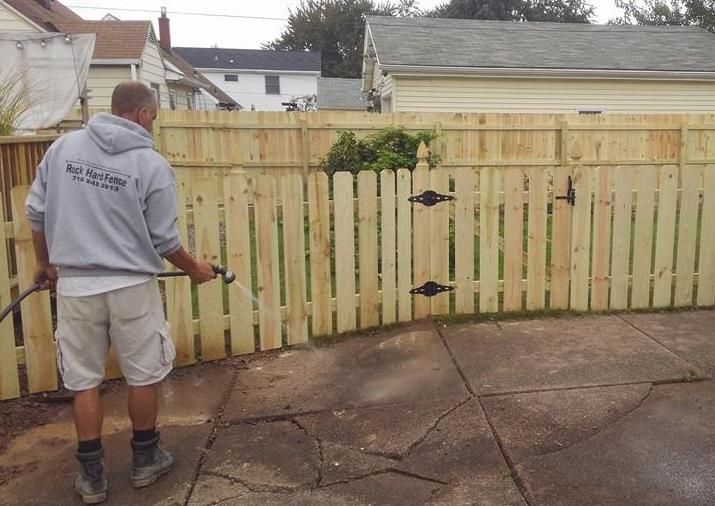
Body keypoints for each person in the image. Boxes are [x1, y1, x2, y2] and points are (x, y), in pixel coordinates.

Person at [25, 81, 216, 504]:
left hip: (76, 286)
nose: (154, 124)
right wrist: (195, 269)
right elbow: (164, 239)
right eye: (154, 117)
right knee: (142, 375)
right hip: (131, 287)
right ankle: (146, 460)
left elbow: (36, 211)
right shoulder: (150, 164)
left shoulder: (62, 149)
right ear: (143, 113)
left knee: (84, 382)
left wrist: (44, 263)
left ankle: (91, 477)